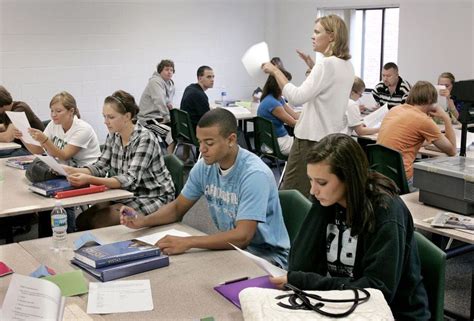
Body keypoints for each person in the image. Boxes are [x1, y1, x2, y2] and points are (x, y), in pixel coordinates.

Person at [269, 134, 431, 320]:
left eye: (322, 182)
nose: (313, 190)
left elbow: (377, 291)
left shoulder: (386, 211)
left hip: (389, 312)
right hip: (341, 304)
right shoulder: (329, 201)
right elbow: (299, 263)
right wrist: (319, 210)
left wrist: (305, 281)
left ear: (349, 179)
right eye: (311, 180)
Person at [121, 108, 290, 268]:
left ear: (231, 140)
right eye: (200, 142)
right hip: (235, 250)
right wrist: (143, 220)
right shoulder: (204, 167)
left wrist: (188, 242)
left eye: (209, 143)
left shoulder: (254, 175)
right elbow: (177, 208)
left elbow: (242, 236)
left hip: (266, 257)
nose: (202, 149)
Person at [262, 14, 354, 198]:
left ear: (332, 36)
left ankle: (292, 227)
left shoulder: (325, 65)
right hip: (330, 139)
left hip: (309, 140)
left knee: (293, 193)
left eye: (317, 32)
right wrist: (312, 67)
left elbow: (296, 97)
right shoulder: (346, 65)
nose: (312, 36)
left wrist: (275, 71)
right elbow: (325, 90)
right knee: (319, 193)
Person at [66, 90, 175, 230]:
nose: (106, 122)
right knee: (82, 220)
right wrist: (71, 170)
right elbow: (101, 166)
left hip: (152, 196)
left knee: (98, 222)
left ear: (127, 116)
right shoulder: (113, 135)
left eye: (111, 117)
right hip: (126, 193)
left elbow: (130, 179)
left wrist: (89, 179)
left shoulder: (145, 138)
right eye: (104, 116)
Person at [377, 81, 456, 185]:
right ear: (430, 100)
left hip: (380, 176)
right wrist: (446, 118)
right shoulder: (423, 120)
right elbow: (452, 151)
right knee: (443, 183)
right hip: (402, 179)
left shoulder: (395, 109)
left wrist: (429, 140)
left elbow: (407, 141)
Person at [19, 91, 101, 167]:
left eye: (58, 111)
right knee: (35, 166)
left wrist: (44, 140)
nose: (53, 115)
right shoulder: (53, 124)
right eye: (52, 111)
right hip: (66, 168)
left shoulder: (83, 129)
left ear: (71, 111)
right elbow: (38, 151)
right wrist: (22, 137)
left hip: (86, 170)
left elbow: (64, 156)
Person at [257, 67, 299, 155]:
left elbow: (295, 115)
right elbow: (293, 123)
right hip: (277, 143)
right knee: (311, 146)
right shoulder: (272, 103)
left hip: (275, 141)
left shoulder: (276, 98)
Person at [179, 65, 215, 162]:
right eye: (208, 77)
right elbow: (209, 120)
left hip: (186, 131)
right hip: (196, 132)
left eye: (213, 77)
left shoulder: (190, 88)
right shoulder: (200, 95)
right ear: (200, 78)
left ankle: (186, 156)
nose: (212, 80)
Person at [0, 86, 45, 157]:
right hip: (18, 146)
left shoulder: (20, 109)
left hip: (32, 149)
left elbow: (8, 137)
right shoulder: (4, 111)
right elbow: (5, 127)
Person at [138, 59, 175, 124]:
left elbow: (168, 102)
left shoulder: (170, 84)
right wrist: (167, 116)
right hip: (148, 118)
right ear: (160, 71)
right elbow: (159, 100)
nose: (169, 72)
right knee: (172, 131)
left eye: (171, 70)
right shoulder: (155, 82)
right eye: (166, 69)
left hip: (159, 116)